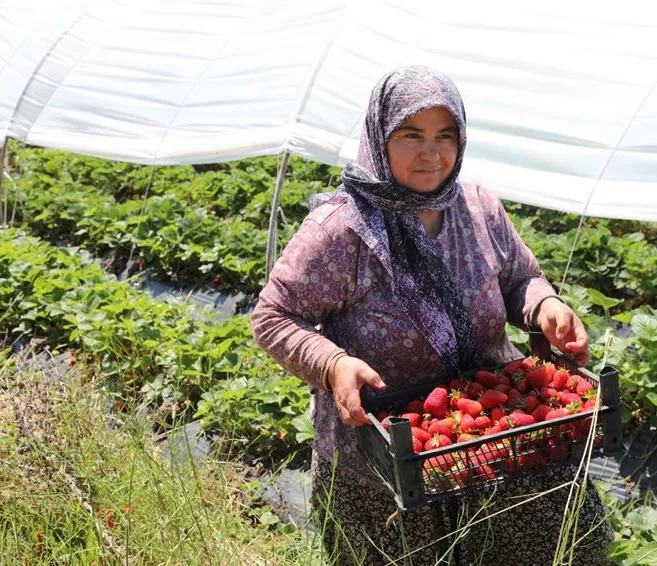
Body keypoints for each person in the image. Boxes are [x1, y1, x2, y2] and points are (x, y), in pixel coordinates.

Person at [251, 66, 612, 565]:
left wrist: (544, 306)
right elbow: (273, 316)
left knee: (566, 548)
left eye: (446, 136)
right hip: (386, 455)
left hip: (498, 435)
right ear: (380, 137)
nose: (432, 153)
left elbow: (518, 277)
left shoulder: (477, 205)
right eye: (411, 135)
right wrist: (333, 364)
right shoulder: (341, 229)